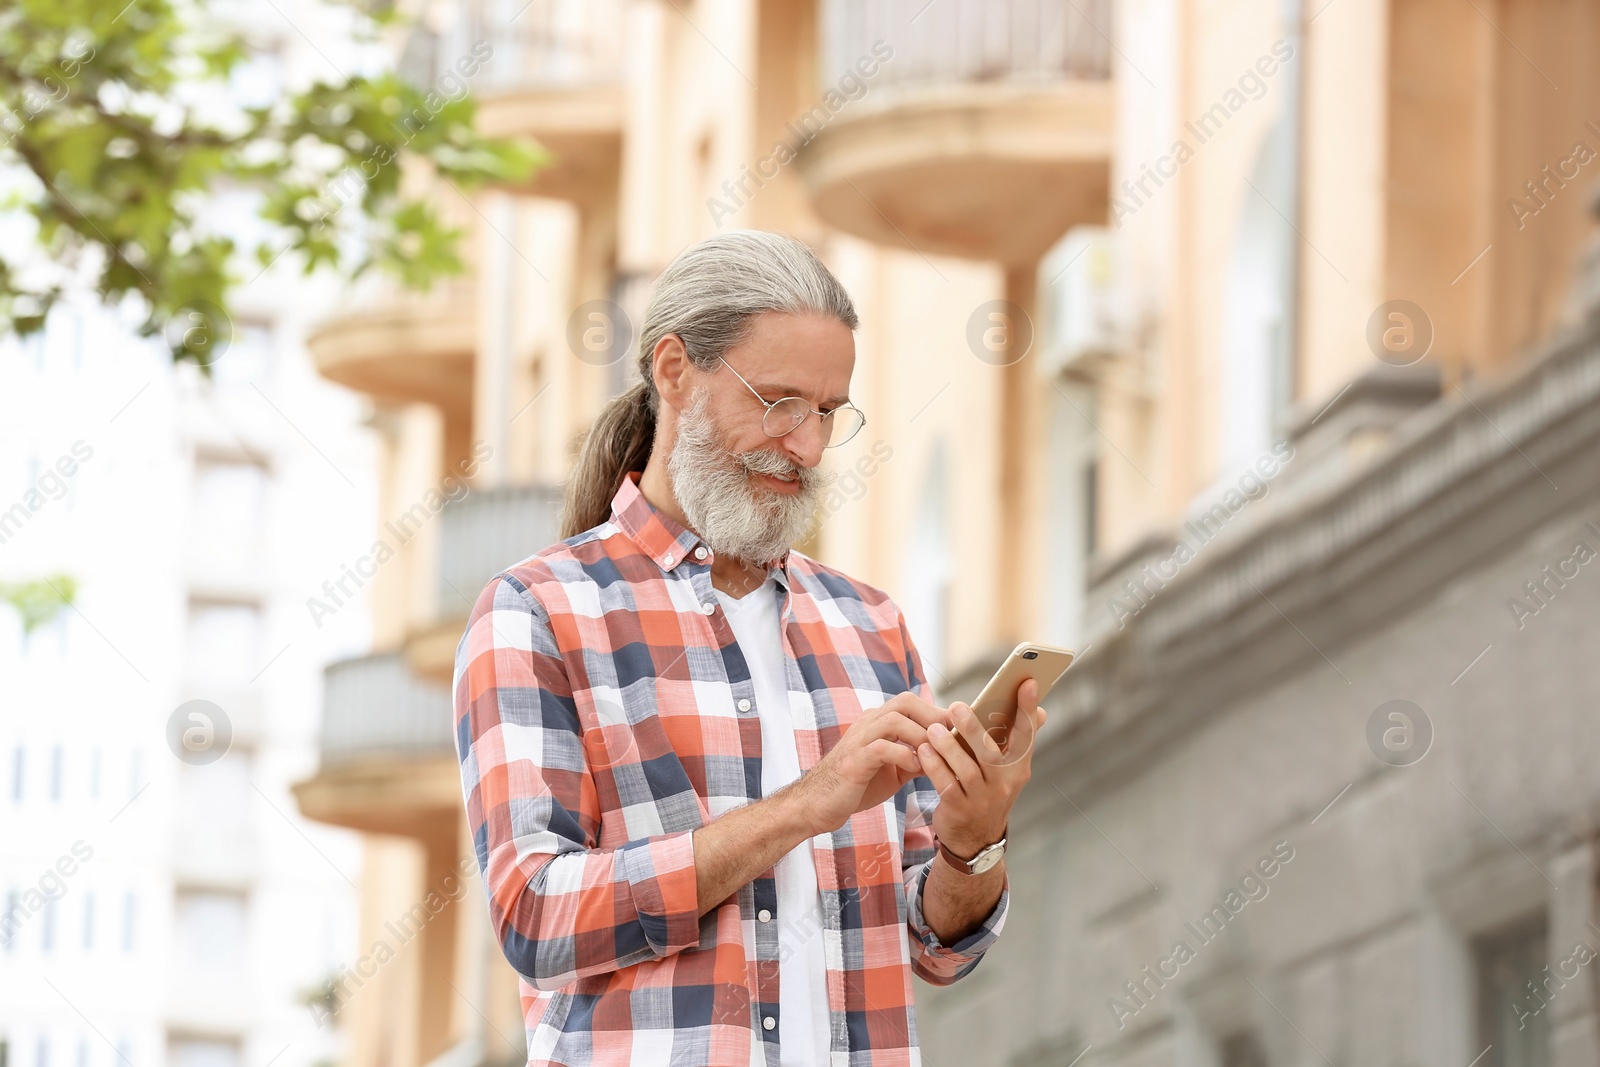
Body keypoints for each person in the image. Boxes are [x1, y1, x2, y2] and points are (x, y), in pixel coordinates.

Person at [453, 230, 1045, 1066]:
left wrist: (973, 839)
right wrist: (807, 804)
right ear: (673, 371)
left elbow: (936, 944)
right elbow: (535, 916)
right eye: (778, 401)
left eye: (829, 411)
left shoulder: (871, 625)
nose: (805, 442)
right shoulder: (539, 612)